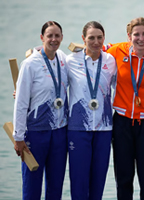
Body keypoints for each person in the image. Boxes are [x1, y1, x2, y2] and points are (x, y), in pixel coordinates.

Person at [105, 17, 144, 200]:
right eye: (136, 34)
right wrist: (40, 50)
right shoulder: (117, 51)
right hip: (122, 122)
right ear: (129, 36)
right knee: (124, 177)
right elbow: (92, 47)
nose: (141, 38)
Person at [13, 21, 68, 200]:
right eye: (49, 36)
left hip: (60, 131)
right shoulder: (29, 64)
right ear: (42, 37)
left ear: (62, 37)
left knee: (56, 185)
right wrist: (18, 137)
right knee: (32, 186)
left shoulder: (62, 58)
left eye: (57, 36)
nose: (53, 39)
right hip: (36, 132)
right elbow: (20, 103)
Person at [66, 21, 116, 200]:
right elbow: (52, 83)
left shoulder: (111, 60)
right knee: (79, 184)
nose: (96, 42)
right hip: (78, 129)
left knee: (98, 184)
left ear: (104, 38)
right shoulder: (70, 61)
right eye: (91, 38)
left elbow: (122, 89)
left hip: (104, 129)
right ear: (83, 39)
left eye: (99, 38)